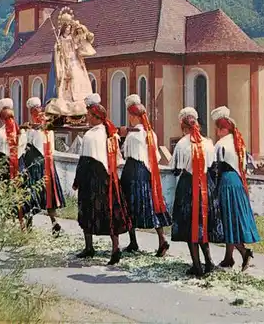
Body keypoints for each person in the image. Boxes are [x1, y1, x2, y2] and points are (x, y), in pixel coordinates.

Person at [72, 93, 132, 265]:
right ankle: (115, 247)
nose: (87, 118)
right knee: (111, 211)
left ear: (95, 116)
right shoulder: (111, 133)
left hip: (93, 177)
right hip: (110, 177)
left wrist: (77, 182)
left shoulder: (90, 136)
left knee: (87, 210)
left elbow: (84, 162)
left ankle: (89, 246)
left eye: (89, 115)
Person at [171, 107, 224, 277]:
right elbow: (213, 166)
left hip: (188, 187)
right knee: (203, 224)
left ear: (183, 126)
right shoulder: (208, 142)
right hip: (205, 186)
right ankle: (208, 262)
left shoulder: (181, 144)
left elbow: (176, 169)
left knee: (190, 226)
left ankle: (196, 265)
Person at [120, 94, 171, 256]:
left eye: (130, 115)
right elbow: (155, 156)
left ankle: (133, 241)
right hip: (147, 172)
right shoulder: (151, 133)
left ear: (134, 116)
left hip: (133, 171)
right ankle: (161, 238)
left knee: (129, 204)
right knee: (152, 203)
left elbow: (125, 153)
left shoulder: (133, 136)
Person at [211, 106, 260, 271]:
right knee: (233, 219)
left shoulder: (220, 145)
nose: (217, 131)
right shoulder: (239, 143)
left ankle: (244, 251)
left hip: (226, 183)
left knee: (227, 219)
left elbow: (215, 168)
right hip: (238, 183)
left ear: (223, 129)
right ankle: (228, 258)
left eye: (218, 128)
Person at [23, 96, 66, 236]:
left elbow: (26, 146)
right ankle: (54, 222)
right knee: (49, 195)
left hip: (34, 164)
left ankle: (28, 227)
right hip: (48, 163)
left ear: (31, 110)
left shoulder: (32, 129)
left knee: (30, 193)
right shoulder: (49, 126)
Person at [46, 8, 96, 116]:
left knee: (78, 78)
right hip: (65, 62)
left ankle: (80, 100)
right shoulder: (59, 41)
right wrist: (58, 49)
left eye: (69, 27)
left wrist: (81, 28)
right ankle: (67, 101)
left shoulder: (73, 38)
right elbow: (57, 53)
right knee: (67, 80)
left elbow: (82, 39)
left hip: (75, 61)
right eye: (66, 27)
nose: (68, 29)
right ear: (63, 28)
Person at [0, 98, 28, 229]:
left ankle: (2, 227)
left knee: (3, 197)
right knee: (20, 196)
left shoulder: (0, 134)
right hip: (20, 167)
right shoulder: (21, 132)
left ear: (1, 116)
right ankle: (23, 226)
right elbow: (23, 153)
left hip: (5, 169)